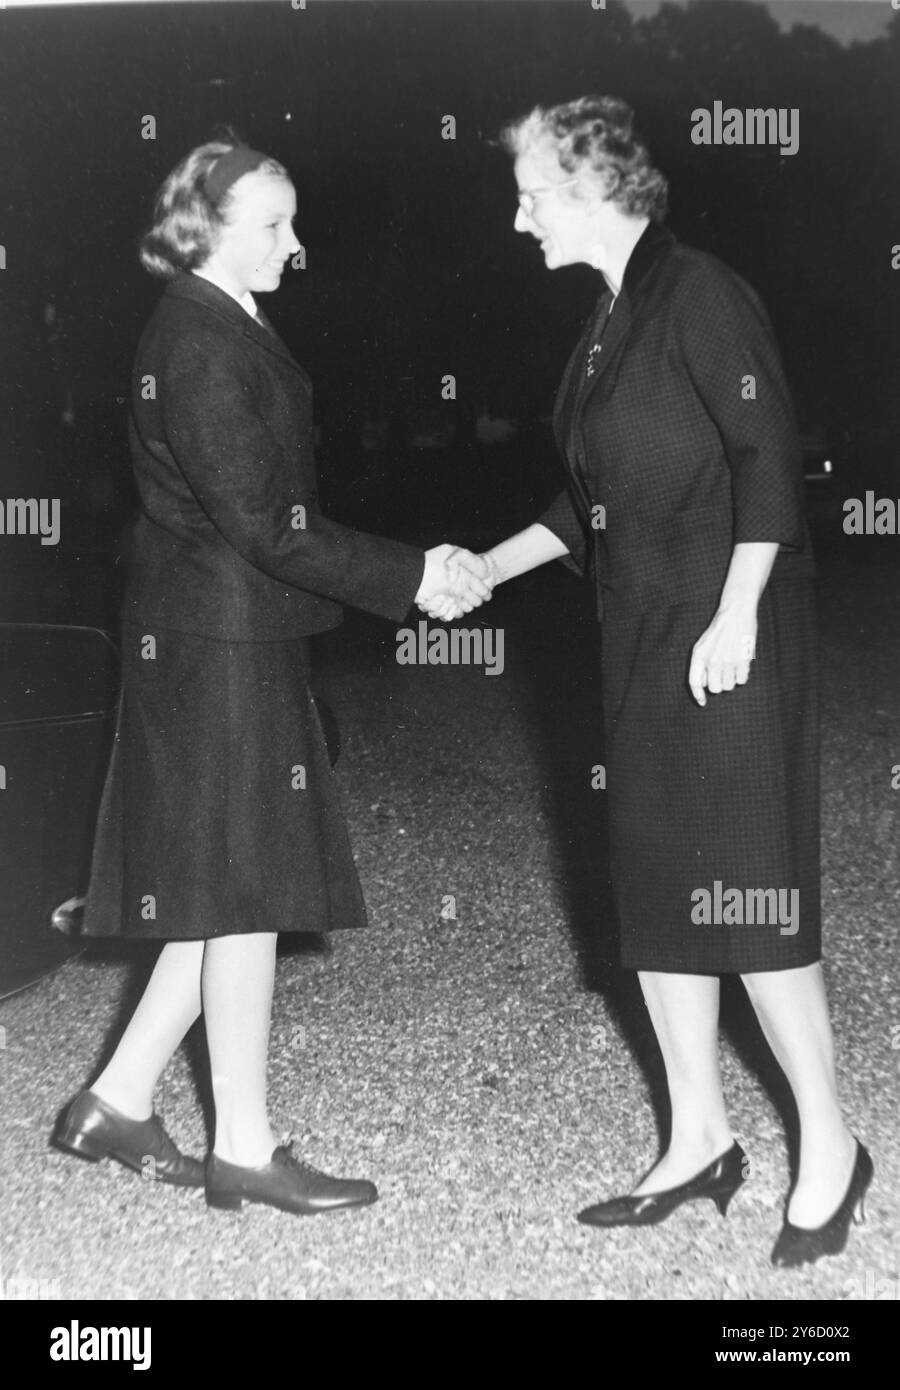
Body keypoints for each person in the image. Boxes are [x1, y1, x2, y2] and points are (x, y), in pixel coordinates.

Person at [450, 95, 871, 1267]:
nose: (519, 213)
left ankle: (830, 1145)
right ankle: (696, 1140)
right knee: (662, 893)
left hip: (724, 633)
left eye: (532, 189)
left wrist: (735, 615)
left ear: (591, 187)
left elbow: (765, 463)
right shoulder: (604, 323)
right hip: (640, 640)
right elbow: (593, 506)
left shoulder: (701, 295)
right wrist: (490, 563)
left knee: (753, 892)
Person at [53, 138, 491, 1217]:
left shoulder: (218, 322)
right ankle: (242, 1145)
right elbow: (265, 524)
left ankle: (112, 1101)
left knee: (215, 890)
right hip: (217, 645)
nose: (296, 248)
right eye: (272, 226)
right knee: (243, 894)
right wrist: (411, 573)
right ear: (201, 227)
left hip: (219, 635)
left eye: (294, 224)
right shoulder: (198, 343)